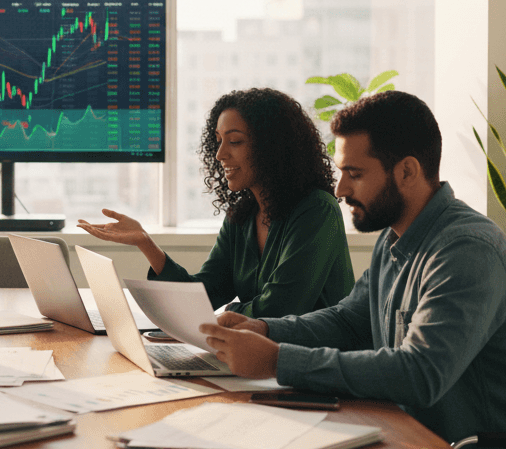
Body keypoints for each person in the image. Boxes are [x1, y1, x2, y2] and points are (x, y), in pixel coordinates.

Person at [198, 91, 506, 449]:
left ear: (406, 171)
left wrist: (279, 360)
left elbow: (420, 374)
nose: (339, 189)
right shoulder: (395, 238)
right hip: (414, 447)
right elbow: (351, 321)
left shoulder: (468, 252)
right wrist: (265, 329)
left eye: (355, 173)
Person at [78, 87, 354, 318]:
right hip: (261, 358)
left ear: (272, 147)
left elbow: (282, 306)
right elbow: (203, 295)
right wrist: (145, 243)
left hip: (314, 366)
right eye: (219, 140)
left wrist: (223, 316)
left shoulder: (317, 210)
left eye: (235, 141)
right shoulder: (243, 215)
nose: (220, 153)